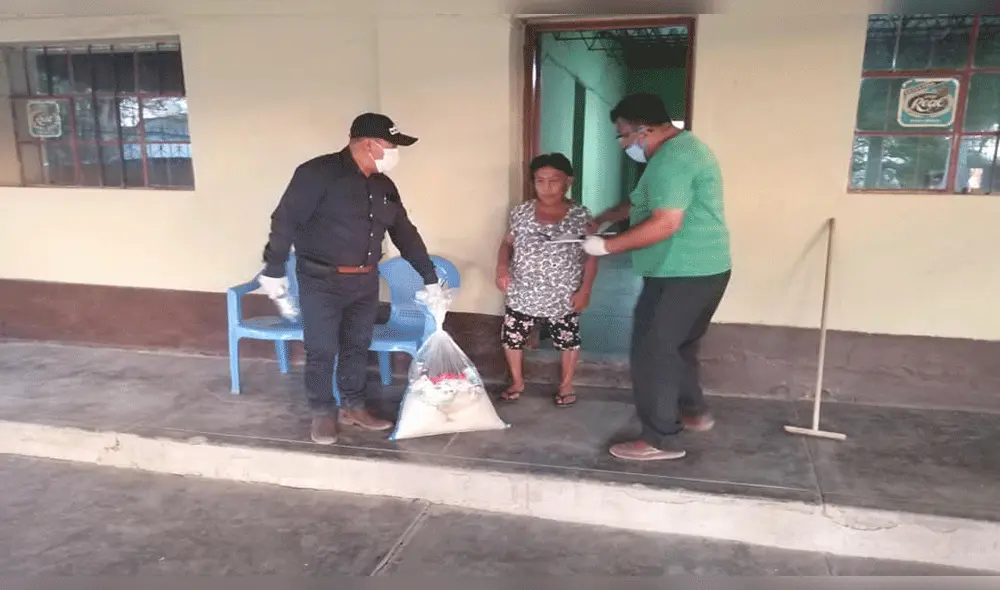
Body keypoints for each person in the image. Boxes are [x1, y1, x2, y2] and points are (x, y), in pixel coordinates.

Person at [257, 113, 440, 445]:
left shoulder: (384, 186)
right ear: (368, 144)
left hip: (365, 281)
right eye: (390, 144)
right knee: (322, 348)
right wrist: (273, 268)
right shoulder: (317, 173)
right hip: (321, 281)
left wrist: (429, 277)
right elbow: (286, 220)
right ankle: (323, 412)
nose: (394, 152)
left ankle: (353, 406)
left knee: (357, 346)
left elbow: (404, 233)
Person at [584, 93, 731, 462]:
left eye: (622, 136)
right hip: (707, 269)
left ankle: (659, 439)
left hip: (681, 272)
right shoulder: (681, 150)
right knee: (679, 347)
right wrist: (604, 216)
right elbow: (640, 203)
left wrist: (607, 246)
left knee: (652, 352)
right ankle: (692, 411)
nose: (622, 144)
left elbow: (666, 221)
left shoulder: (672, 160)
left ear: (642, 130)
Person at [495, 153, 597, 407]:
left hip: (563, 292)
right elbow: (507, 244)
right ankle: (517, 381)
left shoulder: (581, 215)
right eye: (540, 180)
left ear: (568, 181)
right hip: (523, 289)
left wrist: (585, 290)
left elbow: (592, 256)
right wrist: (501, 267)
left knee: (568, 339)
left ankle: (566, 385)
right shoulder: (520, 212)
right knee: (513, 337)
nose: (547, 187)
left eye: (554, 180)